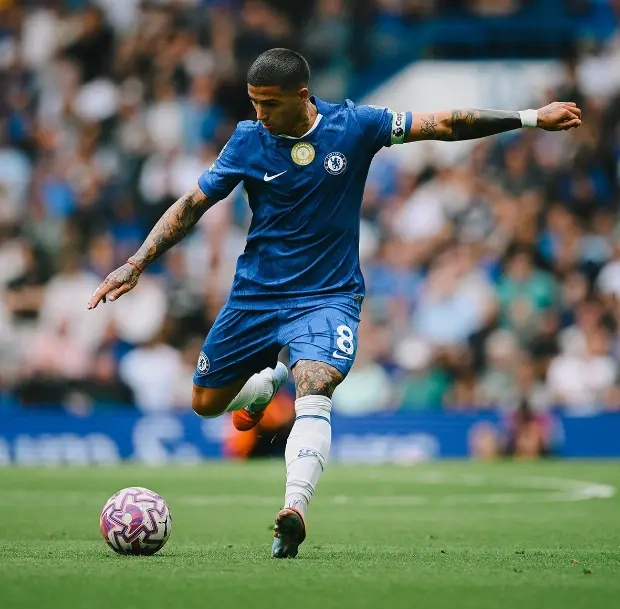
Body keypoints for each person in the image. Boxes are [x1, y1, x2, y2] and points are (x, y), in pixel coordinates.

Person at [86, 48, 582, 558]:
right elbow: (193, 204)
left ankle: (293, 510)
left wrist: (528, 118)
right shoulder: (248, 139)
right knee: (205, 403)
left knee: (315, 385)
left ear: (302, 96)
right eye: (254, 103)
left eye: (269, 104)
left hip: (328, 296)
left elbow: (444, 124)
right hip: (256, 295)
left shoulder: (355, 125)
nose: (260, 114)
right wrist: (136, 263)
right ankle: (263, 388)